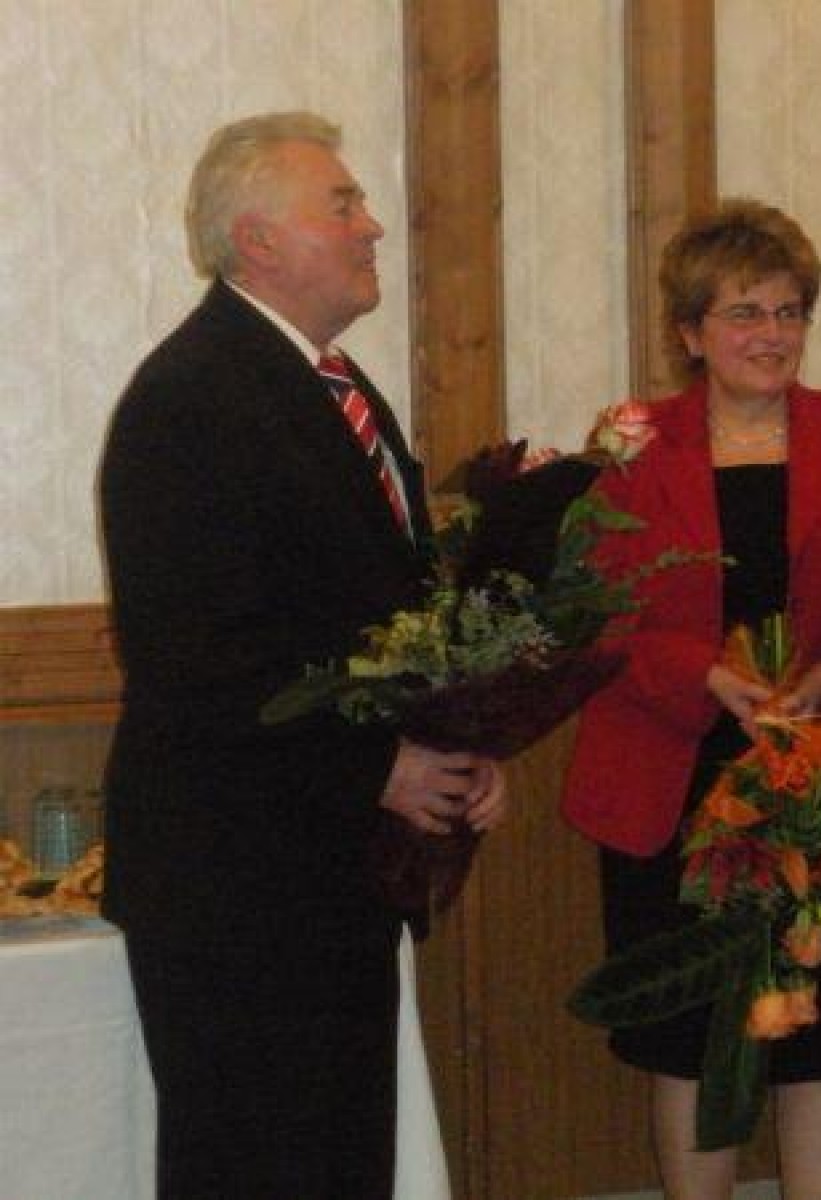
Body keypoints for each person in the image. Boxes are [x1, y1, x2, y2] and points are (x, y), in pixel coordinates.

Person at [99, 111, 508, 1199]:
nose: (372, 225)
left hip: (331, 878)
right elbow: (198, 661)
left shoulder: (337, 389)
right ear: (259, 239)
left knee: (338, 1168)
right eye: (343, 205)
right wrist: (377, 767)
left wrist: (465, 741)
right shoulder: (191, 399)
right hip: (238, 887)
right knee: (257, 1173)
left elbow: (389, 621)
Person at [560, 198, 821, 1200]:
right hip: (675, 783)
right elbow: (592, 616)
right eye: (742, 312)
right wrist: (701, 672)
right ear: (690, 332)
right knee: (692, 1039)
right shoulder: (631, 448)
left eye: (787, 311)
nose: (770, 334)